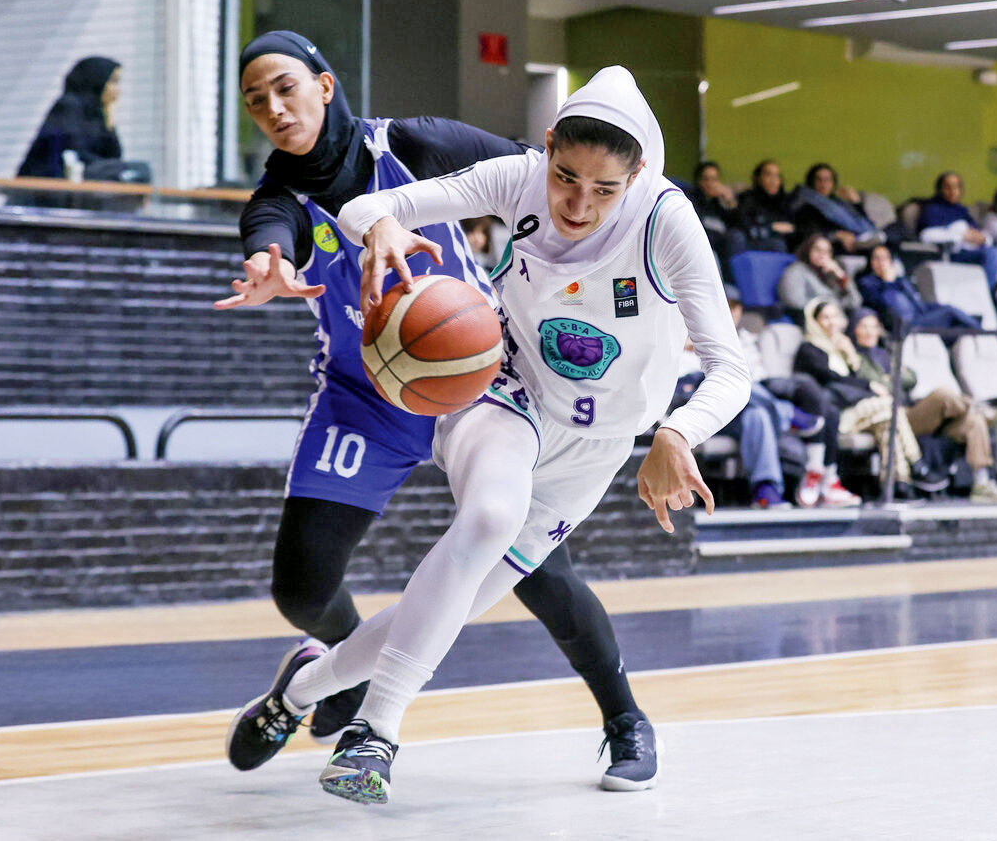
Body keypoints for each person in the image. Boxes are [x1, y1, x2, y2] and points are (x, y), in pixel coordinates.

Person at [228, 66, 751, 804]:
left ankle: (298, 692)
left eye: (604, 189)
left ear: (636, 177)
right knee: (488, 516)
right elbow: (369, 204)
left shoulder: (667, 220)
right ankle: (374, 735)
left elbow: (731, 368)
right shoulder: (518, 178)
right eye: (566, 177)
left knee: (449, 607)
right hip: (509, 391)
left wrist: (678, 431)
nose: (577, 203)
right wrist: (381, 225)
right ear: (547, 147)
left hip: (598, 444)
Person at [850, 310, 997, 504]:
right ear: (854, 329)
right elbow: (876, 383)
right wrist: (893, 377)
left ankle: (982, 484)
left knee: (974, 422)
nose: (870, 332)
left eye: (873, 326)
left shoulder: (885, 353)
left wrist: (891, 378)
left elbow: (911, 378)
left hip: (911, 409)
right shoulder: (855, 357)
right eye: (863, 326)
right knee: (942, 394)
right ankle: (976, 407)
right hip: (896, 415)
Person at [794, 299, 947, 495]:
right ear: (814, 321)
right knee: (890, 405)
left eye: (835, 316)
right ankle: (917, 463)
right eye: (825, 317)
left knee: (887, 423)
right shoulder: (810, 349)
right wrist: (868, 385)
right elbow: (832, 379)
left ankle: (898, 482)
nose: (831, 322)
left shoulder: (841, 349)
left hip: (861, 410)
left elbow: (905, 377)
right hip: (837, 413)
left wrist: (849, 354)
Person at [728, 288, 859, 508]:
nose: (729, 312)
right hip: (702, 405)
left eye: (733, 307)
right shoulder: (688, 335)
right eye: (724, 306)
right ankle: (788, 415)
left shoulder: (747, 341)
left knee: (757, 414)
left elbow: (760, 379)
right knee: (728, 384)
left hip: (747, 404)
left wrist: (850, 353)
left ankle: (765, 490)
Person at [17, 56, 123, 180]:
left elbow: (114, 157)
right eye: (113, 82)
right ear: (98, 80)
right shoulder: (69, 105)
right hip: (44, 183)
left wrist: (110, 121)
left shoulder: (96, 114)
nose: (118, 90)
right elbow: (75, 152)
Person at [918, 172, 997, 292]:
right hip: (954, 253)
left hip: (975, 249)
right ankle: (985, 294)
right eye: (948, 187)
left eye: (956, 187)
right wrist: (961, 236)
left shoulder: (961, 210)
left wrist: (982, 238)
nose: (953, 191)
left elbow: (977, 231)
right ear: (940, 189)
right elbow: (926, 235)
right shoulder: (932, 209)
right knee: (994, 255)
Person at [856, 244, 981, 334]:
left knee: (956, 322)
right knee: (950, 312)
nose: (881, 262)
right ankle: (982, 331)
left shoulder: (900, 280)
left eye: (885, 258)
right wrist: (887, 282)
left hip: (920, 317)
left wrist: (937, 308)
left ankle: (974, 325)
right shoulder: (867, 282)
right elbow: (881, 304)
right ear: (870, 262)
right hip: (905, 325)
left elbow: (918, 304)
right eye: (876, 258)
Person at [791, 163, 882, 252]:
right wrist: (837, 235)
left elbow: (865, 223)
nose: (823, 184)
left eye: (827, 180)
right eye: (819, 179)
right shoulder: (807, 204)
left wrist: (856, 203)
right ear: (811, 181)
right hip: (833, 244)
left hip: (861, 237)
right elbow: (809, 231)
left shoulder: (838, 202)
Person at [778, 234, 862, 323]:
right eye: (818, 250)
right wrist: (826, 306)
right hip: (809, 320)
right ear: (808, 250)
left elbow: (855, 302)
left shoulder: (831, 272)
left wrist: (841, 276)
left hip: (836, 320)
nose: (822, 255)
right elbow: (794, 302)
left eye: (827, 252)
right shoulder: (796, 270)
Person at [733, 159, 795, 253]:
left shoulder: (787, 202)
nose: (773, 180)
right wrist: (772, 227)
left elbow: (791, 229)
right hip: (752, 246)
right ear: (758, 178)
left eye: (777, 176)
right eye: (768, 175)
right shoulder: (747, 200)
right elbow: (745, 227)